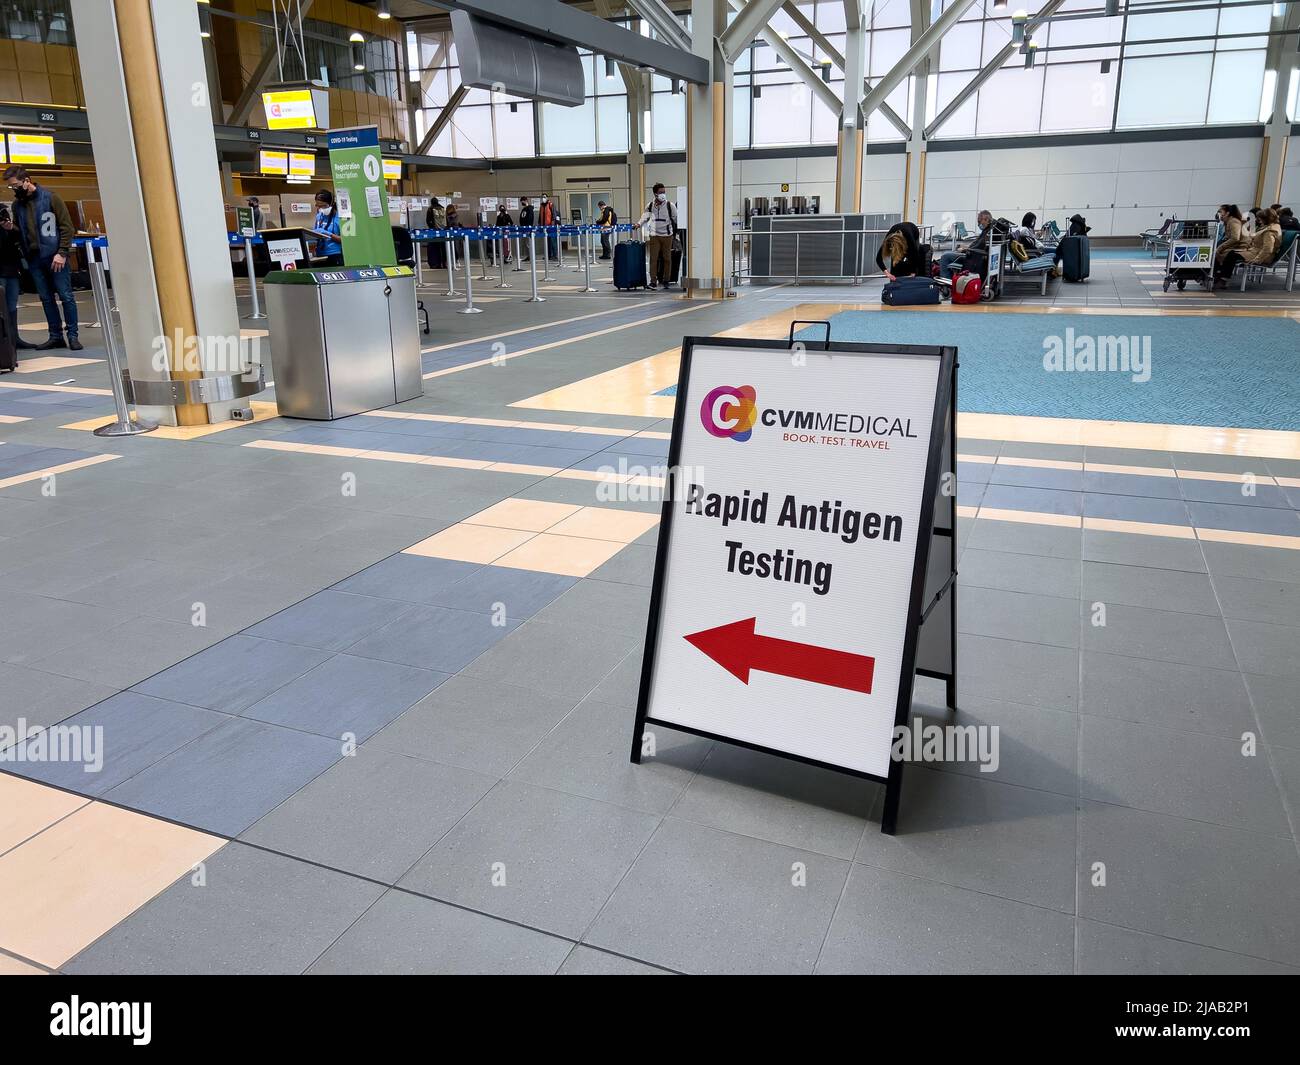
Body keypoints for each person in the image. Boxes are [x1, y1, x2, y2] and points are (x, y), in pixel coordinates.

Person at [4, 165, 79, 350]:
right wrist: (10, 228)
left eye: (15, 185)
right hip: (34, 258)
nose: (13, 189)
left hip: (55, 256)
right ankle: (55, 336)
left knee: (66, 296)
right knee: (46, 298)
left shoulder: (51, 198)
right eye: (10, 187)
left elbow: (66, 227)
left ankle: (73, 335)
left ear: (27, 181)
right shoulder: (17, 205)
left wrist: (62, 253)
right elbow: (21, 232)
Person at [1215, 206, 1281, 286]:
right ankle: (1221, 277)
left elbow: (1268, 248)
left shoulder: (1269, 231)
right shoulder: (1271, 227)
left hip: (1261, 255)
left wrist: (1258, 259)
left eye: (1260, 219)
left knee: (1232, 255)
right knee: (1231, 254)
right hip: (1255, 251)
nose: (1258, 221)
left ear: (1266, 219)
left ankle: (1223, 279)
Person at [0, 203, 34, 355]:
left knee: (12, 304)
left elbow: (18, 236)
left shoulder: (3, 209)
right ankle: (4, 341)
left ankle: (14, 338)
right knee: (1, 305)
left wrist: (11, 228)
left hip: (11, 266)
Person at [638, 183, 678, 290]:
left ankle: (666, 280)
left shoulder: (670, 205)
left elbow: (676, 219)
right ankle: (653, 281)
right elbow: (644, 217)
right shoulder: (650, 205)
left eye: (664, 192)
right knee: (653, 259)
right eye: (661, 192)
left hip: (667, 235)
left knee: (667, 259)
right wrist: (638, 224)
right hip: (654, 235)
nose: (663, 194)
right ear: (655, 194)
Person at [938, 209, 992, 280]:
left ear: (986, 219)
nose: (978, 224)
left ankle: (945, 281)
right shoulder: (986, 231)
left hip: (971, 256)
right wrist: (966, 247)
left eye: (979, 221)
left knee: (945, 257)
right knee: (947, 254)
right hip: (971, 253)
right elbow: (977, 246)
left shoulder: (987, 233)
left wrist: (965, 249)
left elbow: (978, 248)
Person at [308, 188, 343, 267]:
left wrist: (328, 234)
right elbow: (315, 232)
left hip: (334, 255)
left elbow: (345, 241)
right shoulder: (319, 216)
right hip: (320, 255)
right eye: (317, 205)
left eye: (323, 206)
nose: (320, 209)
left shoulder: (339, 218)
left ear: (331, 204)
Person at [1214, 204, 1246, 270]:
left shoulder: (1233, 222)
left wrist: (1220, 247)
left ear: (1227, 213)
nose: (1218, 214)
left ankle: (1219, 275)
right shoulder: (1228, 222)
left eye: (1220, 212)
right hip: (1234, 246)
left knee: (1216, 252)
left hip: (1239, 247)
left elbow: (1235, 238)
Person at [425, 197, 446, 270]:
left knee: (434, 248)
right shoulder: (442, 208)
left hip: (434, 231)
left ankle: (435, 264)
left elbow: (428, 220)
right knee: (443, 248)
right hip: (443, 231)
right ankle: (445, 263)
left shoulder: (430, 209)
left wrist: (431, 228)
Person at [538, 194, 559, 260]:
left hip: (550, 226)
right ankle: (548, 255)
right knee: (546, 241)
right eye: (542, 197)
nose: (543, 198)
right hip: (544, 227)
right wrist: (539, 224)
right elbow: (540, 216)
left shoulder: (551, 204)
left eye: (544, 197)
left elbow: (554, 215)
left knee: (553, 241)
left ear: (547, 198)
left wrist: (552, 225)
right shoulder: (541, 206)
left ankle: (555, 255)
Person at [518, 196, 534, 260]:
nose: (521, 203)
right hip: (523, 228)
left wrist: (528, 226)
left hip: (527, 227)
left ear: (525, 201)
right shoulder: (524, 209)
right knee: (526, 243)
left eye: (522, 201)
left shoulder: (529, 209)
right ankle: (528, 255)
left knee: (528, 243)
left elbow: (530, 218)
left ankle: (530, 256)